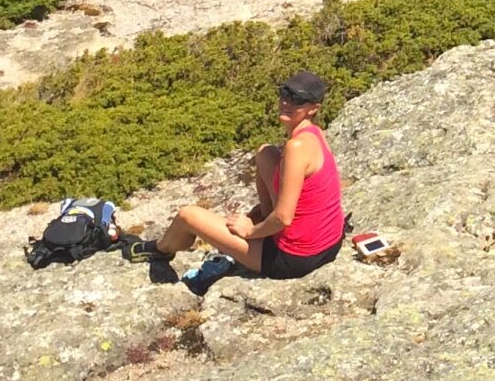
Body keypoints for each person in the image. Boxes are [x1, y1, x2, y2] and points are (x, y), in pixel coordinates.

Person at [145, 70, 346, 282]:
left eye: (297, 100)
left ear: (313, 109)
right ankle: (265, 229)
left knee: (188, 216)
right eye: (284, 93)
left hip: (294, 257)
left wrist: (250, 231)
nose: (286, 102)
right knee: (265, 153)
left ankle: (159, 249)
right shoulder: (315, 134)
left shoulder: (296, 148)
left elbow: (284, 218)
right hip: (329, 243)